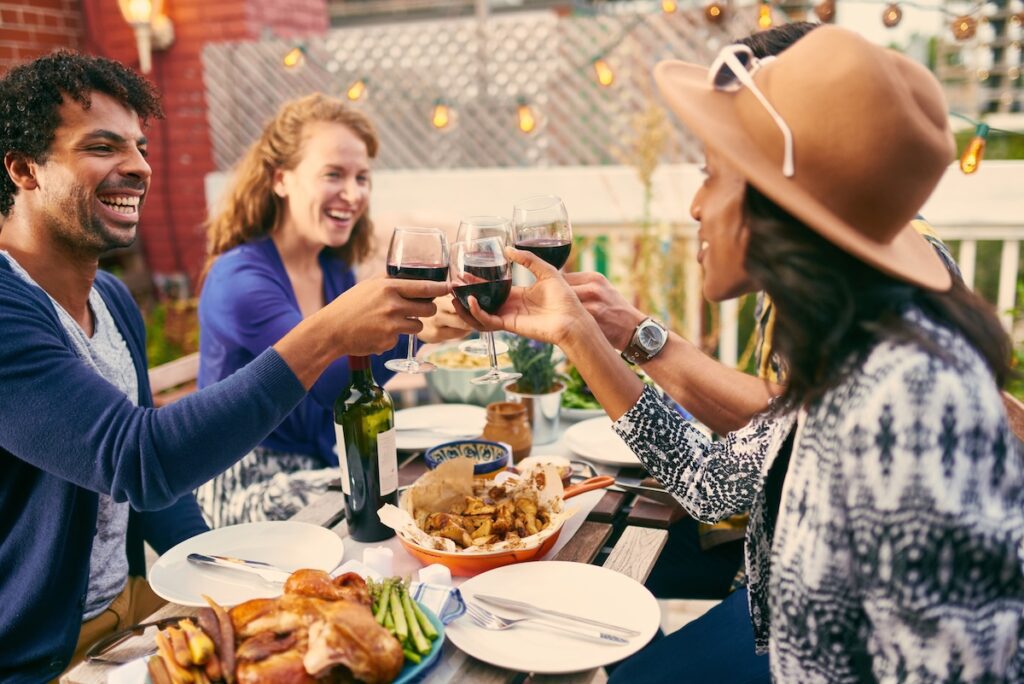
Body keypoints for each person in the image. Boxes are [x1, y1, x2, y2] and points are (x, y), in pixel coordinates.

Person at [462, 26, 1023, 682]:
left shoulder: (906, 398)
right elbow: (712, 483)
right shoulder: (841, 356)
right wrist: (578, 335)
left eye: (711, 175)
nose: (697, 206)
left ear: (778, 201)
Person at [0, 51, 447, 681]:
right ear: (22, 169)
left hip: (138, 605)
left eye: (139, 145)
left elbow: (144, 493)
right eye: (102, 147)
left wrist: (218, 564)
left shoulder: (112, 299)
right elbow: (137, 459)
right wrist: (329, 331)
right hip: (40, 655)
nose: (137, 166)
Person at [196, 94, 468, 527]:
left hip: (324, 466)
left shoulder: (332, 270)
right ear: (281, 179)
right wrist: (413, 331)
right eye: (333, 175)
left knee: (450, 490)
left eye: (362, 177)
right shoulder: (240, 280)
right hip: (248, 483)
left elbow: (356, 376)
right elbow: (323, 382)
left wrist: (425, 324)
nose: (353, 193)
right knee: (416, 510)